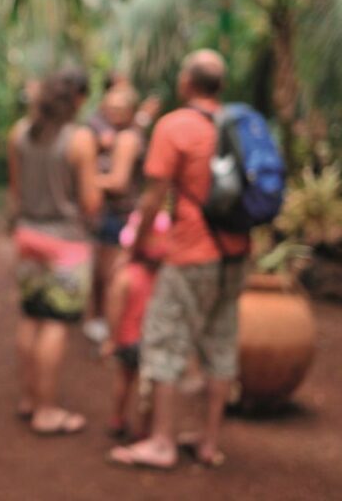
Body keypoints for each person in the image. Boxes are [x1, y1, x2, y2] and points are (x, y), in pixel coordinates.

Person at [109, 49, 250, 469]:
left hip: (191, 251)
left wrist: (136, 247)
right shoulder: (239, 124)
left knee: (165, 340)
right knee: (221, 343)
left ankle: (162, 442)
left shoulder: (174, 126)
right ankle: (208, 442)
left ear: (186, 82)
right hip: (236, 254)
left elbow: (153, 198)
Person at [8, 70, 101, 434]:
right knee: (55, 323)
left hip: (28, 236)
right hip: (66, 244)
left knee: (31, 316)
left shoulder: (19, 133)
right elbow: (90, 202)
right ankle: (46, 411)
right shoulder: (80, 139)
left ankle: (29, 398)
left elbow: (16, 191)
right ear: (76, 100)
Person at [84, 86, 146, 345]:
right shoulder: (115, 135)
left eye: (119, 108)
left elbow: (118, 182)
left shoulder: (127, 139)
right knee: (101, 273)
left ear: (131, 111)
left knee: (110, 276)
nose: (113, 112)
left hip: (118, 216)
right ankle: (102, 323)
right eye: (109, 107)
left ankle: (113, 334)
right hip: (110, 215)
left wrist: (83, 179)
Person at [101, 211, 170, 440]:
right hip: (152, 342)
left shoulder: (126, 276)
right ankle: (144, 428)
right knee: (149, 386)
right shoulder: (164, 279)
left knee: (124, 379)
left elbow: (114, 309)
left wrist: (111, 339)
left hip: (128, 340)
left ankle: (117, 418)